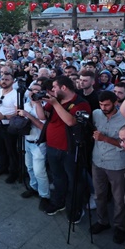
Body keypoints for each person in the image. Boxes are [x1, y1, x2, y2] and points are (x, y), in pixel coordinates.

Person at [89, 89, 125, 244]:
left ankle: (120, 227)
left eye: (107, 105)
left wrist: (105, 138)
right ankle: (102, 221)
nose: (103, 108)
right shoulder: (96, 113)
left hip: (117, 163)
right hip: (97, 161)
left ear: (116, 103)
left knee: (118, 199)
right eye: (101, 104)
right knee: (99, 194)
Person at [42, 75, 92, 221]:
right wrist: (38, 103)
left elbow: (71, 122)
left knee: (75, 181)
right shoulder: (55, 100)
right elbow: (44, 116)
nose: (53, 90)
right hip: (52, 147)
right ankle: (58, 202)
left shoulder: (81, 103)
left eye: (55, 87)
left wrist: (55, 104)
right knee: (58, 178)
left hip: (71, 149)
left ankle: (75, 209)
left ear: (64, 87)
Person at [17, 81, 50, 208]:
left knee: (39, 171)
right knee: (29, 167)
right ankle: (33, 187)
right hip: (27, 140)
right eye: (32, 90)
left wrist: (28, 115)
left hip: (38, 144)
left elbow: (43, 126)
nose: (34, 92)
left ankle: (44, 195)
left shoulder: (44, 106)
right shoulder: (25, 104)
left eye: (38, 90)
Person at [0, 69, 20, 183]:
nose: (4, 81)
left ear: (12, 82)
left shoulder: (16, 94)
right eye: (2, 79)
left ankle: (14, 172)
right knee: (0, 147)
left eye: (7, 80)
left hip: (10, 126)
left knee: (11, 150)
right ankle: (3, 167)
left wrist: (6, 117)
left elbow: (18, 112)